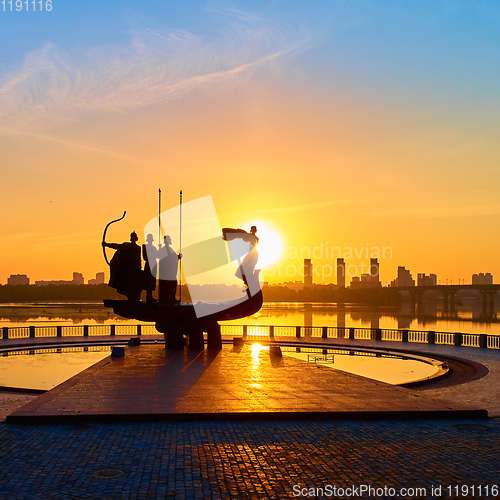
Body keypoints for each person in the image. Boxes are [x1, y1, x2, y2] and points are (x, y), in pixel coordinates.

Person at [103, 231, 142, 300]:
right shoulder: (127, 246)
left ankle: (134, 296)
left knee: (135, 283)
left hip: (135, 268)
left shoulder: (138, 248)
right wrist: (107, 245)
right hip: (129, 269)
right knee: (129, 283)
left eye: (134, 237)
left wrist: (139, 267)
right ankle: (131, 296)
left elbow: (139, 259)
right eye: (132, 237)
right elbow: (117, 246)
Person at [222, 226, 259, 296]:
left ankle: (250, 286)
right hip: (251, 253)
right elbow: (245, 239)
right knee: (245, 269)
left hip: (254, 254)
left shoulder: (253, 237)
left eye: (254, 230)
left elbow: (248, 240)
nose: (253, 231)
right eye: (252, 230)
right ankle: (249, 286)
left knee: (249, 269)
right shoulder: (249, 236)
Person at [157, 235, 181, 304]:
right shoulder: (164, 249)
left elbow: (173, 257)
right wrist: (177, 257)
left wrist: (178, 257)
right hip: (166, 272)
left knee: (172, 283)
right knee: (169, 284)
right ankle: (168, 298)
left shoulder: (169, 249)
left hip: (169, 271)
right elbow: (169, 258)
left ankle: (171, 297)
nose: (170, 241)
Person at [142, 233, 159, 303]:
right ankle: (148, 296)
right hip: (148, 265)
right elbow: (145, 257)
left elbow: (157, 256)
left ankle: (150, 296)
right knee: (148, 281)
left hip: (153, 265)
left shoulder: (154, 248)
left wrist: (159, 249)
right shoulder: (145, 247)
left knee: (152, 281)